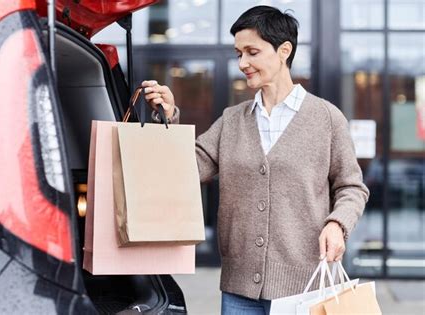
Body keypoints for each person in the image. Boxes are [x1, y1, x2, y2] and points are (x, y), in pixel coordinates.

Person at [142, 5, 369, 315]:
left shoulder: (326, 119)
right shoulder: (232, 120)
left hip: (303, 291)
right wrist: (168, 118)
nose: (242, 63)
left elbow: (352, 187)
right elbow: (186, 168)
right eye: (239, 53)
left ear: (283, 51)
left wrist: (337, 223)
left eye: (252, 52)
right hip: (239, 290)